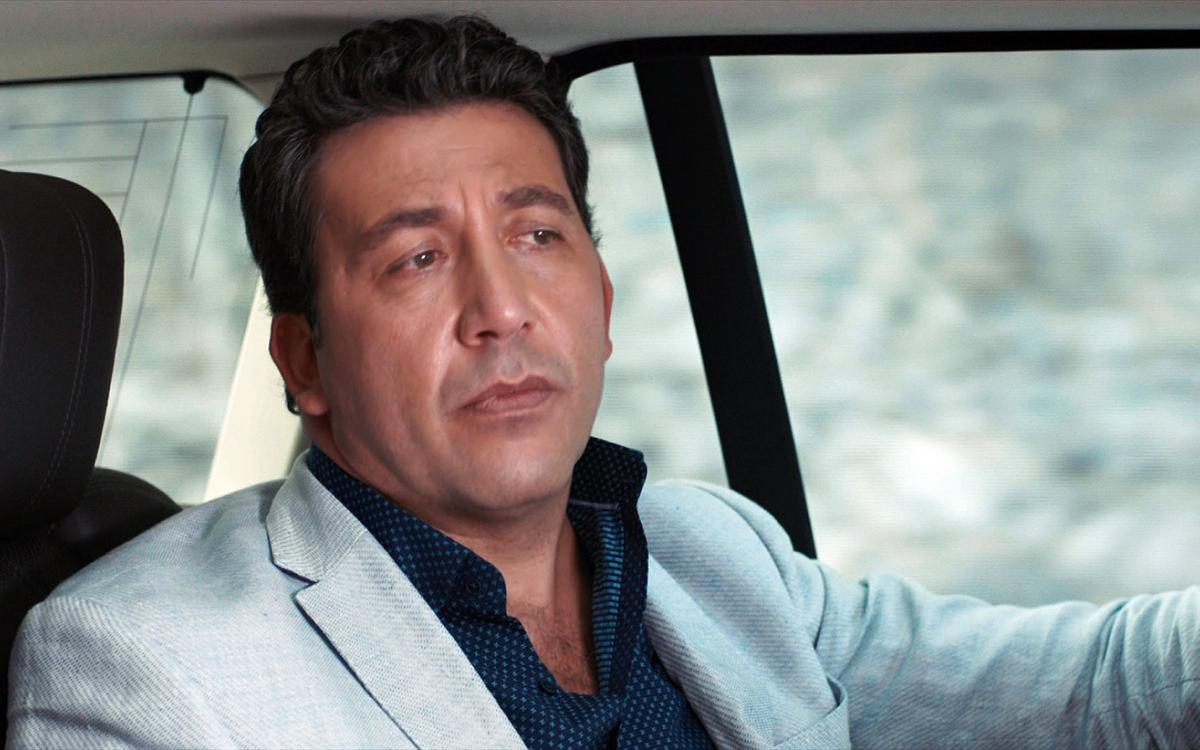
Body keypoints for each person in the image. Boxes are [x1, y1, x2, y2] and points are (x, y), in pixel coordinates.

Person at [7, 15, 1198, 750]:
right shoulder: (141, 665)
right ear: (304, 360)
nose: (502, 308)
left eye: (538, 235)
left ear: (605, 294)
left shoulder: (707, 550)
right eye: (418, 258)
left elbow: (1097, 689)